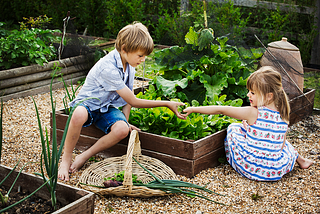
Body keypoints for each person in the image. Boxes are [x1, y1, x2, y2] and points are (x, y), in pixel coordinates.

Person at [58, 22, 186, 181]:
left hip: (107, 107)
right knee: (78, 114)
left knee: (122, 130)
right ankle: (66, 159)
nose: (143, 60)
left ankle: (85, 155)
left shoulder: (129, 65)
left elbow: (128, 97)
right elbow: (134, 100)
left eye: (144, 56)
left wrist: (124, 121)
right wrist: (167, 103)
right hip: (88, 105)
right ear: (124, 49)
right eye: (140, 56)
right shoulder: (108, 68)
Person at [182, 66, 313, 181]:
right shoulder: (284, 115)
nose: (248, 95)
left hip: (251, 167)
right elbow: (281, 146)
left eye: (253, 93)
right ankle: (302, 161)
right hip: (275, 171)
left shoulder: (253, 113)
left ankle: (235, 157)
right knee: (281, 143)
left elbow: (222, 110)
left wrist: (193, 109)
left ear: (269, 96)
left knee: (234, 127)